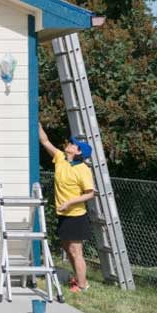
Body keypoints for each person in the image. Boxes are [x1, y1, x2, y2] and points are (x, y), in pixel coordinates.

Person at [39, 123, 95, 292]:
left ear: (78, 152)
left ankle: (83, 285)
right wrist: (36, 122)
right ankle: (77, 279)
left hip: (76, 214)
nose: (69, 144)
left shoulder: (83, 170)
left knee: (76, 250)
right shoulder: (61, 158)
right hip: (63, 213)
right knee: (65, 246)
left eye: (73, 144)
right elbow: (45, 141)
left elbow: (90, 193)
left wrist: (70, 202)